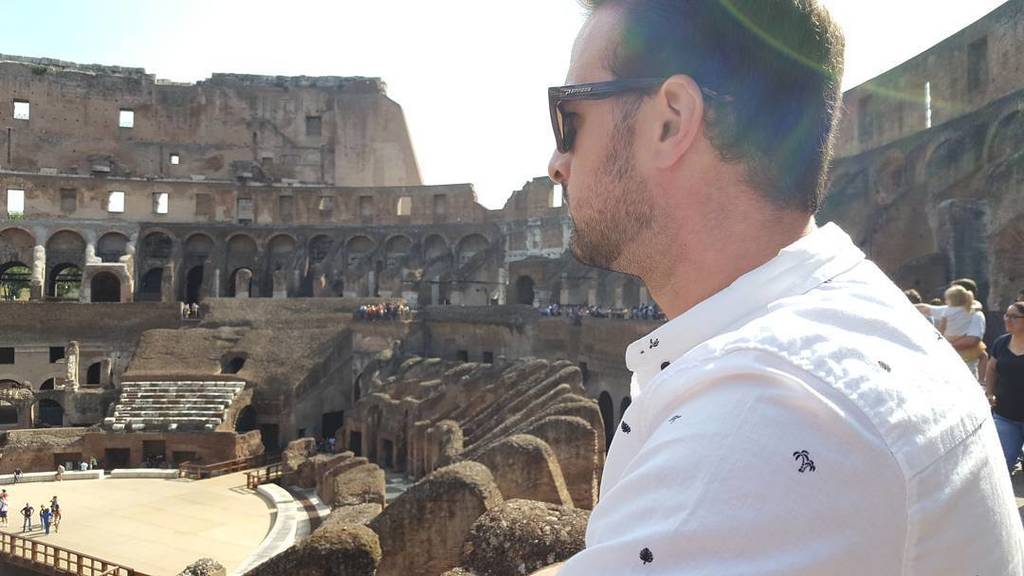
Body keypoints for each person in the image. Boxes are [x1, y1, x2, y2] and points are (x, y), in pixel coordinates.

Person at [541, 1, 1023, 574]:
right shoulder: (853, 325)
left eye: (568, 121)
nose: (555, 163)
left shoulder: (768, 415)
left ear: (671, 121)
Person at [917, 285, 987, 378]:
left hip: (957, 347)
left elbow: (972, 339)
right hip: (963, 352)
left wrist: (941, 341)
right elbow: (926, 309)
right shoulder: (971, 310)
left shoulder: (948, 311)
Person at [986, 301, 1024, 472]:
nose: (1008, 320)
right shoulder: (1001, 343)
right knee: (1002, 464)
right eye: (1006, 315)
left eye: (1014, 317)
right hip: (1005, 415)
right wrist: (989, 393)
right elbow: (992, 368)